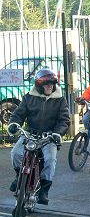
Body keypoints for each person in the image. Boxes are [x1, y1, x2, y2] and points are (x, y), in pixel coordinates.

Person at [8, 68, 70, 205]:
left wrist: (57, 133)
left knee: (50, 160)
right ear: (39, 85)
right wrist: (13, 124)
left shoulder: (60, 100)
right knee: (16, 154)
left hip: (49, 137)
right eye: (46, 84)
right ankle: (19, 177)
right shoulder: (29, 98)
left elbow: (64, 120)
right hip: (30, 134)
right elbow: (18, 114)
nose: (50, 86)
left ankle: (44, 190)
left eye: (52, 83)